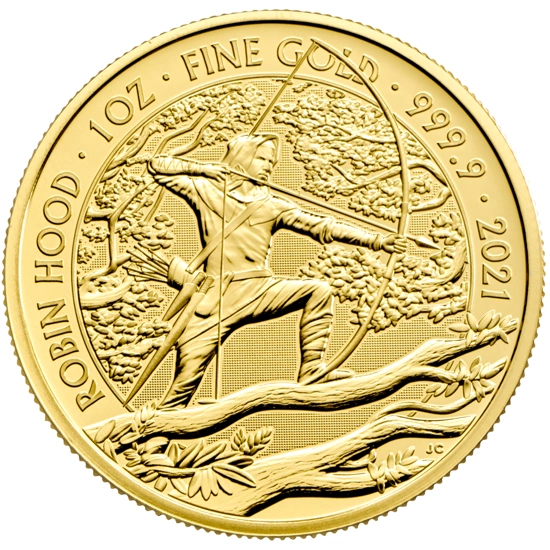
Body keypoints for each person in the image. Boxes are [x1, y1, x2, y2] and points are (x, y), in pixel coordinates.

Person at [149, 133, 406, 409]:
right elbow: (156, 166)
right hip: (216, 299)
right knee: (183, 383)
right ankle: (155, 430)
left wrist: (377, 241)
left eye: (271, 162)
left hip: (259, 288)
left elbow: (322, 226)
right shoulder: (205, 191)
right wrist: (205, 169)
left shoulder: (272, 206)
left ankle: (311, 370)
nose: (269, 167)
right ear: (242, 157)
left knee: (318, 291)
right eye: (262, 158)